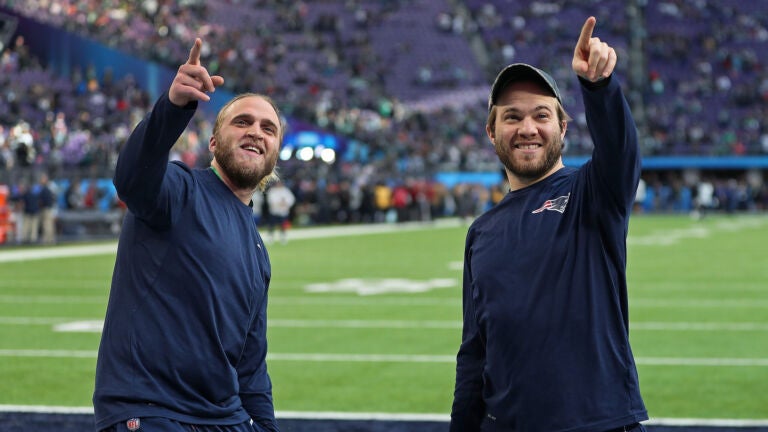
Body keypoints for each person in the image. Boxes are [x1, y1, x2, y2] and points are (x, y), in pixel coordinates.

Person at [450, 17, 648, 432]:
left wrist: (600, 88)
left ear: (562, 127)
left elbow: (620, 151)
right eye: (511, 117)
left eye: (541, 115)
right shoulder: (480, 233)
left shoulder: (592, 193)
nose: (527, 129)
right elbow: (474, 353)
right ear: (491, 132)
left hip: (598, 424)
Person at [93, 38, 283, 432]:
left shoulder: (258, 249)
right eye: (242, 122)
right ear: (213, 142)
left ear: (274, 155)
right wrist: (174, 106)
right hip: (156, 410)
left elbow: (250, 365)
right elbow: (132, 179)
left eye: (269, 129)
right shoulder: (180, 190)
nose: (255, 132)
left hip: (226, 419)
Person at [265, 180, 295, 244]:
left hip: (283, 212)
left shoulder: (286, 191)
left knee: (283, 225)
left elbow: (291, 199)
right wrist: (279, 203)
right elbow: (270, 200)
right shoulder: (272, 191)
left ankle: (283, 237)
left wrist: (286, 203)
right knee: (271, 225)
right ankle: (270, 237)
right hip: (274, 211)